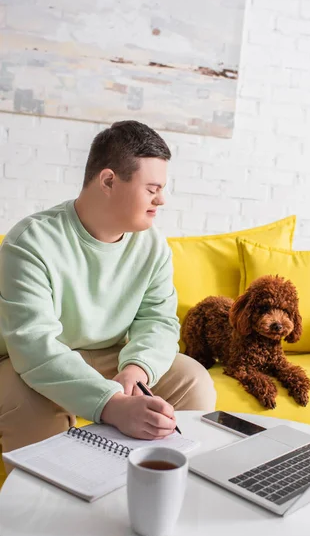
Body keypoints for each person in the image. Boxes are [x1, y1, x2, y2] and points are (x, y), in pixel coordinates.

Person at [0, 120, 216, 471]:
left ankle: (159, 490)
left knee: (193, 380)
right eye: (152, 188)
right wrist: (112, 404)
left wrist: (137, 369)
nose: (162, 199)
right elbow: (32, 346)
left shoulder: (152, 245)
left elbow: (158, 320)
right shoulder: (30, 242)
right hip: (24, 364)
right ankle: (38, 516)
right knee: (30, 408)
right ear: (109, 181)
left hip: (109, 355)